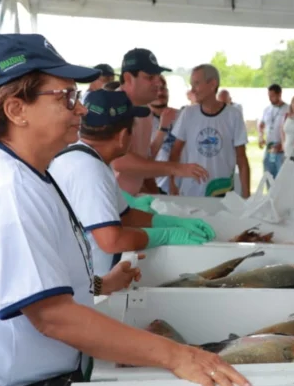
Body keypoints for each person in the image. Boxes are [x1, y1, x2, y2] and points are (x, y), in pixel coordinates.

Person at [0, 34, 249, 386]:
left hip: (44, 375)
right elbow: (52, 316)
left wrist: (101, 291)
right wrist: (175, 355)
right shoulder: (5, 188)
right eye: (64, 97)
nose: (80, 108)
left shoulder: (28, 172)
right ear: (16, 109)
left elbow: (42, 274)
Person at [49, 90, 214, 277]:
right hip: (88, 283)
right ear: (122, 136)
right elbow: (111, 241)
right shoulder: (89, 169)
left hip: (88, 281)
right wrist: (166, 235)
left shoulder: (84, 159)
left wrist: (172, 223)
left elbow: (126, 216)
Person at [111, 48, 206, 196]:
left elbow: (145, 161)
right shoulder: (112, 107)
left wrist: (154, 195)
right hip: (109, 203)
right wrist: (175, 168)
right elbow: (119, 161)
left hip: (130, 201)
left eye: (158, 76)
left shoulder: (145, 112)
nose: (157, 83)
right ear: (128, 78)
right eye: (150, 77)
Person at [170, 64, 251, 198]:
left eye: (196, 84)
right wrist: (172, 183)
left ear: (212, 84)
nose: (193, 90)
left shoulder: (233, 115)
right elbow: (175, 152)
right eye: (191, 84)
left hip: (222, 191)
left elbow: (241, 158)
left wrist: (246, 194)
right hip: (191, 193)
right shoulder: (188, 114)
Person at [149, 77, 179, 193]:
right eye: (155, 89)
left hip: (184, 184)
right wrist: (163, 127)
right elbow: (147, 157)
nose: (160, 92)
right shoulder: (140, 120)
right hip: (157, 186)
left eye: (163, 88)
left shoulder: (182, 116)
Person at [257, 84, 289, 179]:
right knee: (268, 175)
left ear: (279, 94)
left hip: (281, 148)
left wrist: (284, 144)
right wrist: (260, 136)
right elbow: (261, 124)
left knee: (281, 177)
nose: (270, 98)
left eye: (272, 96)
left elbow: (290, 130)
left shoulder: (288, 109)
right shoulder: (267, 109)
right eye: (269, 96)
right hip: (269, 147)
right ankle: (269, 193)